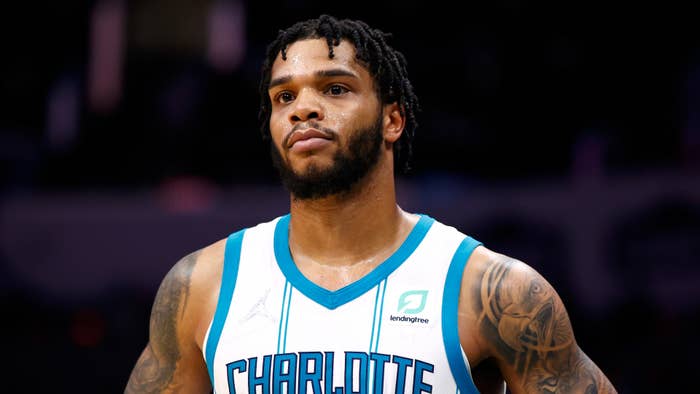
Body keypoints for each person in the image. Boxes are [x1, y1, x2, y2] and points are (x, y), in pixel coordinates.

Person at [125, 14, 617, 394]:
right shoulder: (200, 288)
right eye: (283, 96)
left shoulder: (495, 291)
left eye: (335, 89)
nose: (303, 108)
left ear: (393, 120)